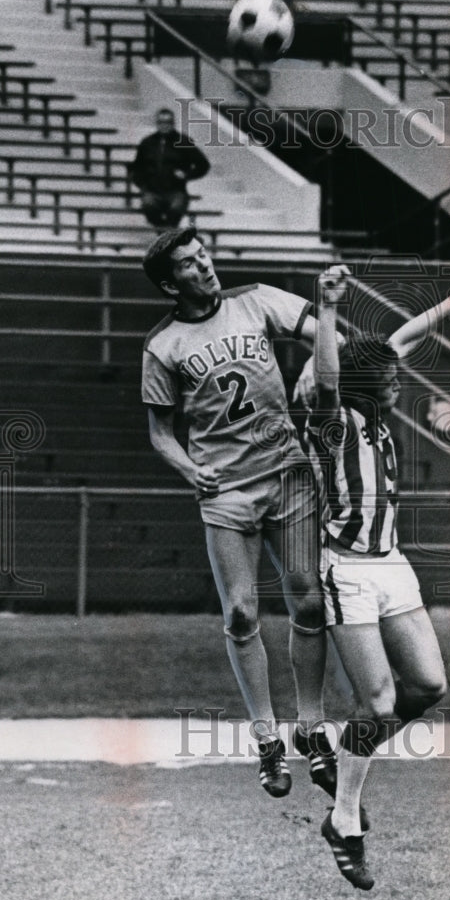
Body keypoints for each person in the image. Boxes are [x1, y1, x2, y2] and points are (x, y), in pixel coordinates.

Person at [307, 252, 450, 890]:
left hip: (393, 565)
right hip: (348, 571)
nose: (397, 383)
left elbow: (395, 341)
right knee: (379, 702)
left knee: (429, 688)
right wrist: (328, 306)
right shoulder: (333, 421)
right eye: (386, 380)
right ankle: (346, 819)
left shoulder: (376, 399)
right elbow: (333, 378)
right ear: (361, 385)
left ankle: (343, 765)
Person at [140, 227, 339, 799]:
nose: (204, 267)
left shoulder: (255, 297)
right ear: (168, 283)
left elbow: (332, 333)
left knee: (309, 600)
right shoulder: (163, 344)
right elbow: (159, 433)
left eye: (204, 255)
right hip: (227, 489)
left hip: (290, 473)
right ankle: (266, 740)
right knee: (242, 613)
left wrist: (311, 367)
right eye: (188, 264)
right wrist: (187, 469)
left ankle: (312, 726)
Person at [129, 108, 211, 227]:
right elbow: (137, 166)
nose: (164, 126)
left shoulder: (183, 142)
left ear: (173, 123)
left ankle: (169, 234)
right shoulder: (147, 143)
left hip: (176, 191)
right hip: (152, 190)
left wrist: (187, 175)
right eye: (161, 122)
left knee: (176, 210)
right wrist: (143, 184)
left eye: (168, 122)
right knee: (148, 205)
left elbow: (203, 165)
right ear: (157, 123)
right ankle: (162, 233)